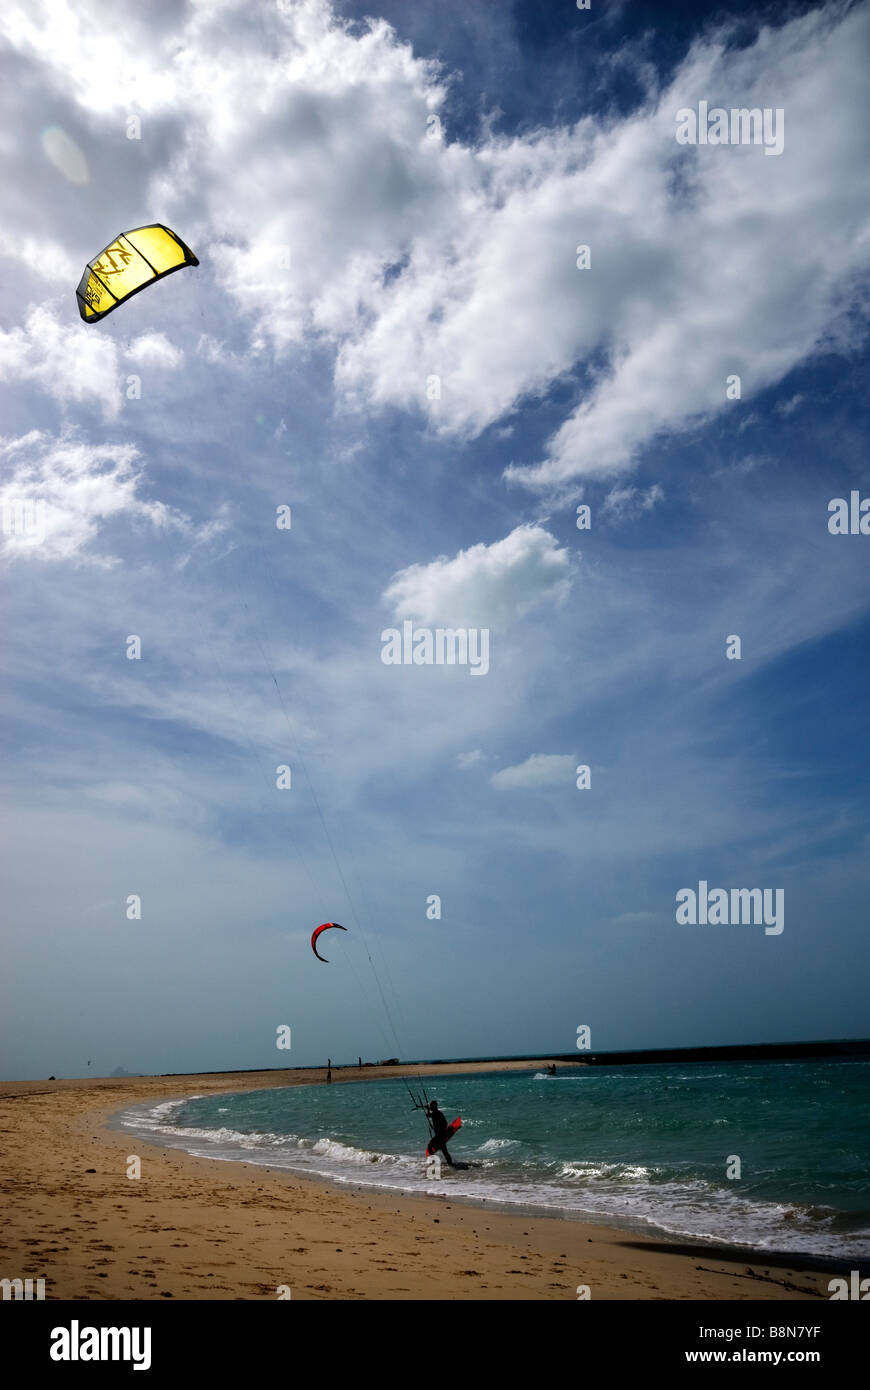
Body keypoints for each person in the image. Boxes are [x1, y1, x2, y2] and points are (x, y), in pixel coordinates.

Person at [425, 1100, 455, 1167]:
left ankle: (434, 1161)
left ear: (434, 1106)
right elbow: (428, 1115)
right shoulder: (436, 1113)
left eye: (431, 1106)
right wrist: (427, 1108)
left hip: (440, 1135)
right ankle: (450, 1164)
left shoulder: (437, 1113)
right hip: (441, 1135)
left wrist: (440, 1131)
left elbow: (445, 1123)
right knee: (444, 1150)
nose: (430, 1107)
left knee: (430, 1146)